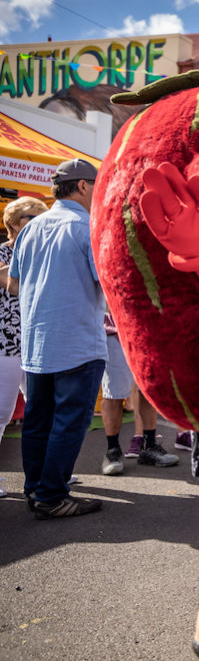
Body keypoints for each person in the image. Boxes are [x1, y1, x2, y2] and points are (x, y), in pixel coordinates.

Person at [8, 158, 107, 519]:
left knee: (39, 419)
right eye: (96, 185)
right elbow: (107, 282)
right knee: (69, 421)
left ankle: (36, 488)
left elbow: (14, 284)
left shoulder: (32, 228)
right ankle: (50, 495)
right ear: (82, 186)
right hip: (77, 341)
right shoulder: (86, 226)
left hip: (38, 341)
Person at [0, 197, 49, 498]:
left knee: (42, 410)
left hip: (36, 344)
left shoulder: (42, 257)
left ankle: (47, 472)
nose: (41, 224)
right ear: (15, 223)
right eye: (34, 217)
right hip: (4, 344)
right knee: (1, 414)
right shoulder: (2, 253)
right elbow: (11, 282)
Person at [100, 314, 179, 474]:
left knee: (148, 390)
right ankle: (112, 451)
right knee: (113, 394)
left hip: (148, 329)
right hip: (116, 332)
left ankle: (149, 446)